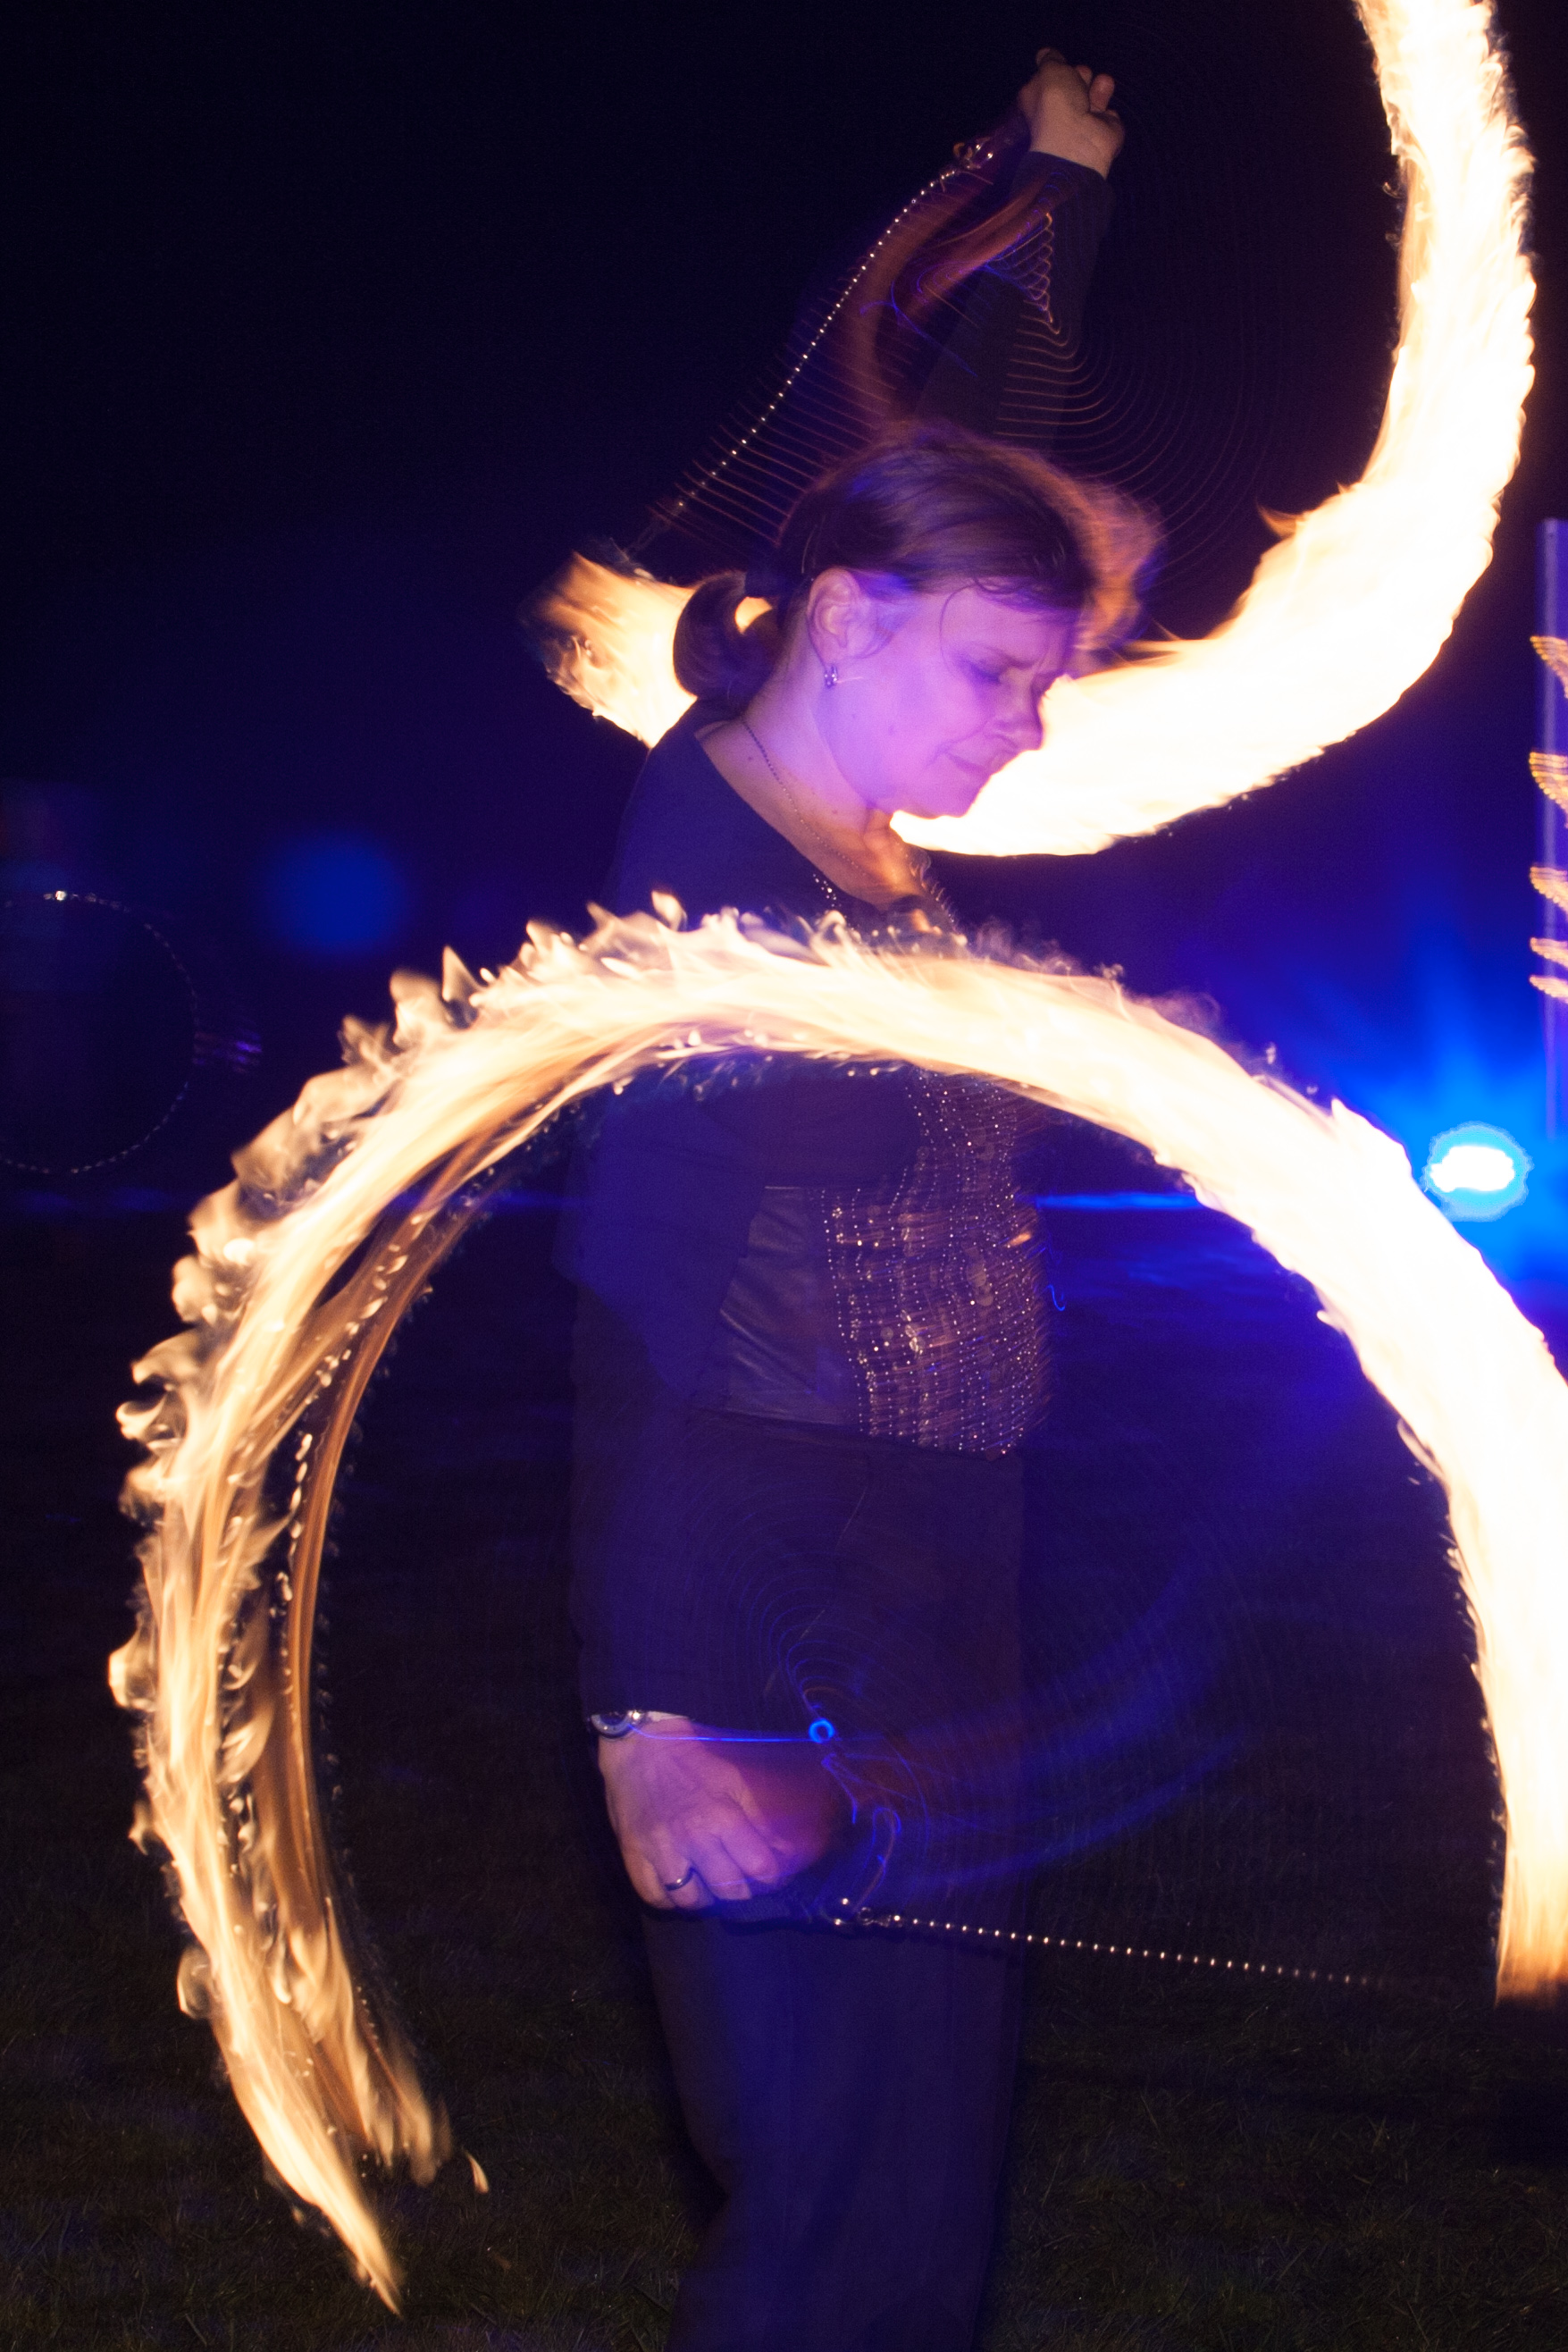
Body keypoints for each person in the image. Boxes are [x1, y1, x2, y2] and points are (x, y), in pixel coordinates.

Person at [561, 412, 1153, 2348]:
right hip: (770, 1598)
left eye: (1045, 682)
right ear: (842, 617)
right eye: (997, 672)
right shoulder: (717, 901)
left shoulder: (865, 851)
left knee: (920, 2174)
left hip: (931, 1574)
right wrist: (654, 1708)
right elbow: (640, 1308)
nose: (1029, 730)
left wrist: (1055, 197)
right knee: (830, 2195)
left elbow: (974, 436)